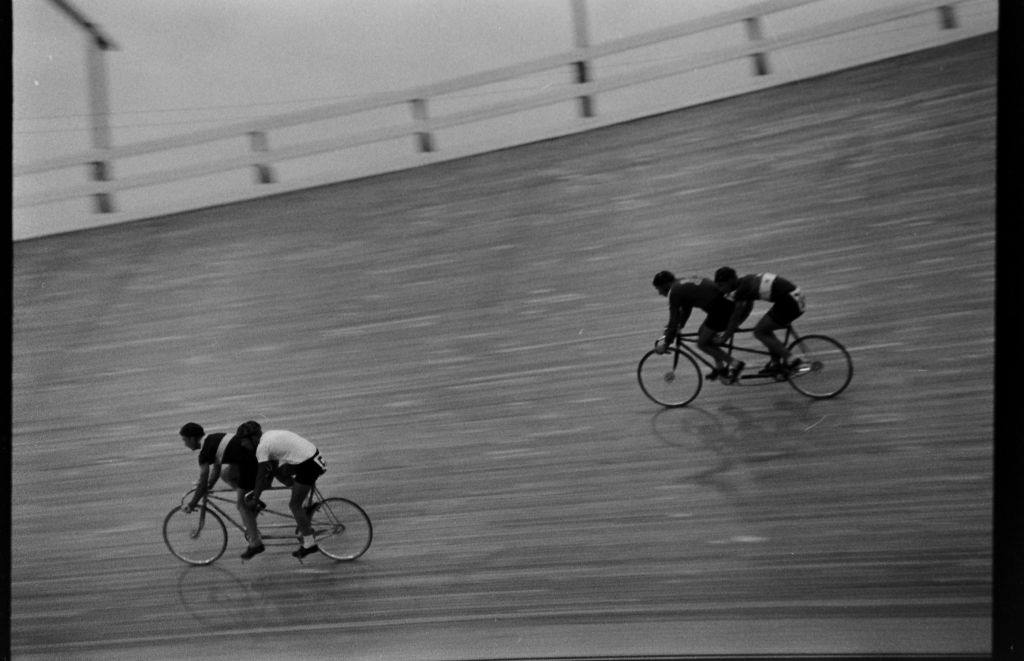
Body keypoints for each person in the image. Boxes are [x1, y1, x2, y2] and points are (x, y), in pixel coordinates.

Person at [232, 421, 328, 559]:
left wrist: (255, 498)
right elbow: (271, 469)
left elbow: (260, 476)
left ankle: (309, 543)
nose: (242, 444)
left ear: (253, 438)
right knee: (279, 472)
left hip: (308, 466)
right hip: (311, 458)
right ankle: (307, 502)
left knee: (294, 505)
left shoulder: (262, 447)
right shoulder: (269, 436)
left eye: (244, 441)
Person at [179, 421, 266, 559]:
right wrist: (208, 486)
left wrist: (192, 503)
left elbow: (202, 482)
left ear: (192, 438)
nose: (185, 444)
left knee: (241, 505)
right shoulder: (212, 439)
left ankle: (256, 544)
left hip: (248, 463)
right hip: (250, 457)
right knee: (226, 475)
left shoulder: (204, 453)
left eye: (184, 440)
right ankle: (251, 499)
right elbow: (216, 471)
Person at [652, 270, 745, 383]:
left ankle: (736, 364)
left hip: (721, 310)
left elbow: (673, 318)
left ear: (665, 285)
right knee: (703, 334)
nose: (659, 293)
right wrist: (679, 326)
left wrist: (666, 344)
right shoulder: (681, 283)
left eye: (658, 289)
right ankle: (721, 369)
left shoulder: (674, 292)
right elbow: (686, 308)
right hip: (722, 306)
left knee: (702, 343)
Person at [713, 266, 806, 374]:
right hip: (793, 297)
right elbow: (748, 308)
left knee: (760, 332)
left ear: (730, 280)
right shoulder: (745, 281)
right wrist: (736, 325)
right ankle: (776, 364)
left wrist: (724, 337)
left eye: (721, 285)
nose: (721, 289)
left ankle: (791, 359)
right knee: (766, 329)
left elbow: (735, 316)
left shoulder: (741, 291)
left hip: (790, 302)